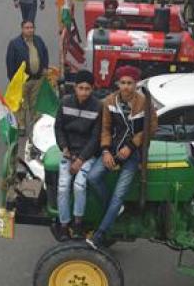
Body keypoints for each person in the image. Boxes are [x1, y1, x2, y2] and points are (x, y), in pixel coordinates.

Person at [86, 66, 158, 249]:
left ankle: (100, 234)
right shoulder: (109, 102)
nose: (126, 87)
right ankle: (115, 208)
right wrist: (106, 151)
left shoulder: (145, 103)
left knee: (120, 193)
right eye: (123, 83)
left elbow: (150, 128)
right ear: (118, 83)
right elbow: (106, 129)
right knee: (92, 177)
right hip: (113, 151)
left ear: (135, 84)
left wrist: (132, 145)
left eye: (130, 83)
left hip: (134, 155)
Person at [54, 69, 102, 241]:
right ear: (75, 88)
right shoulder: (65, 103)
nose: (84, 92)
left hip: (87, 155)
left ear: (92, 89)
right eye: (81, 88)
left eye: (87, 89)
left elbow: (96, 138)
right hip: (68, 153)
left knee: (79, 185)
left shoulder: (98, 107)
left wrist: (81, 159)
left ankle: (78, 223)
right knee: (63, 186)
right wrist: (64, 148)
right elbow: (58, 128)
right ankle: (64, 225)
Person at [5, 20, 49, 137]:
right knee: (21, 104)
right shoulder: (15, 44)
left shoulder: (38, 40)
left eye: (31, 28)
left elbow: (44, 54)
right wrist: (13, 80)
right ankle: (22, 126)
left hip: (37, 79)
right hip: (22, 80)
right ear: (22, 29)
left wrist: (44, 68)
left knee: (36, 103)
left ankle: (37, 125)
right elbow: (10, 63)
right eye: (27, 28)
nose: (30, 30)